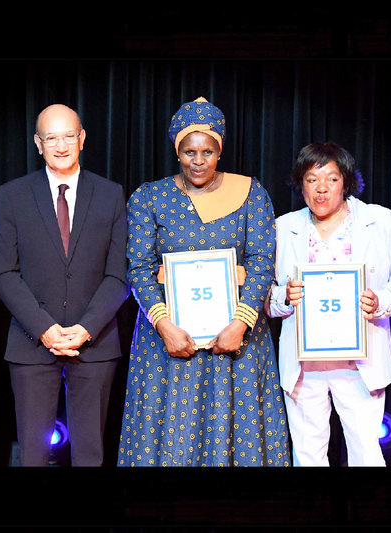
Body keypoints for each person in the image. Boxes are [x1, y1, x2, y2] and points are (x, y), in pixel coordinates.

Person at [118, 97, 289, 466]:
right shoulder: (150, 197)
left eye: (207, 151)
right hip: (168, 338)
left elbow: (262, 263)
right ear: (177, 150)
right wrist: (164, 326)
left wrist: (240, 325)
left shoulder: (251, 194)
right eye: (189, 151)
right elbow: (138, 267)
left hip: (235, 339)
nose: (199, 161)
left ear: (219, 151)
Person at [0, 103, 129, 466]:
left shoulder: (111, 194)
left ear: (82, 138)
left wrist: (86, 327)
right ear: (38, 144)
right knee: (33, 454)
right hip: (31, 342)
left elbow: (119, 274)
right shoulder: (13, 195)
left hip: (95, 342)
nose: (61, 145)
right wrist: (45, 329)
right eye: (51, 138)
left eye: (69, 136)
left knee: (90, 453)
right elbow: (4, 273)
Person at [266, 142, 391, 466]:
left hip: (360, 363)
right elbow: (266, 294)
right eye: (311, 179)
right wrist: (283, 298)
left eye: (331, 179)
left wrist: (381, 302)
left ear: (346, 182)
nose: (322, 189)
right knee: (307, 455)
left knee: (366, 453)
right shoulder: (283, 227)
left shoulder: (379, 220)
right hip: (305, 365)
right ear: (300, 184)